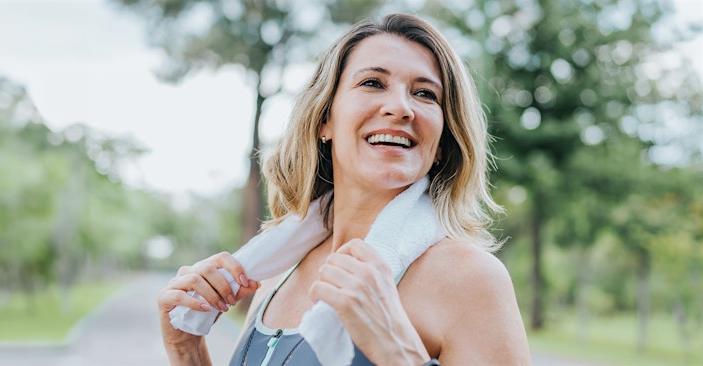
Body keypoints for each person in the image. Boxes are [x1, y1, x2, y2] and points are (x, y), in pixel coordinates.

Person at [158, 13, 530, 365]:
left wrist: (398, 354)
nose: (400, 108)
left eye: (425, 94)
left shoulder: (472, 279)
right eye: (373, 83)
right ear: (325, 119)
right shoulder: (276, 271)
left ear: (442, 141)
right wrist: (186, 350)